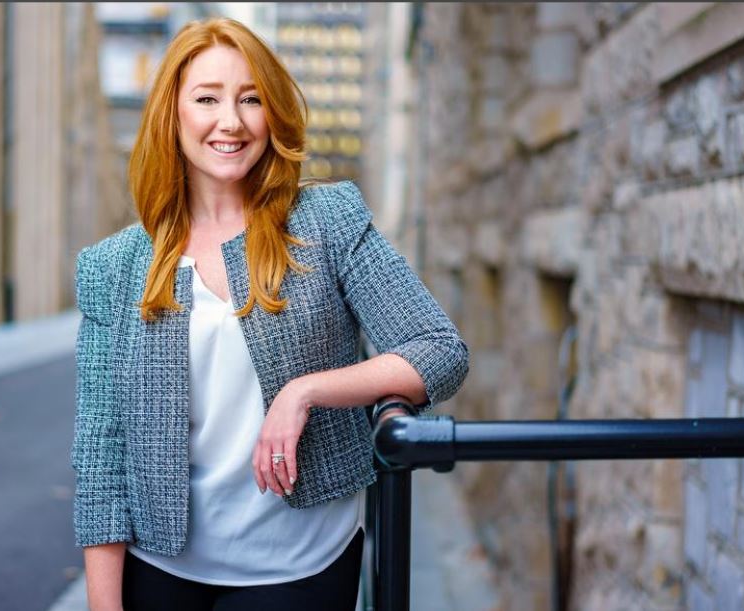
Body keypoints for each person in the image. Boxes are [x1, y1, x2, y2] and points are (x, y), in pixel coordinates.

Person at [71, 17, 468, 611]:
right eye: (207, 98)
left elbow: (439, 350)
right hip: (161, 568)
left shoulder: (327, 221)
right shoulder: (114, 266)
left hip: (298, 566)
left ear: (271, 114)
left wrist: (306, 391)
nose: (230, 120)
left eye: (250, 99)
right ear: (172, 114)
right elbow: (102, 458)